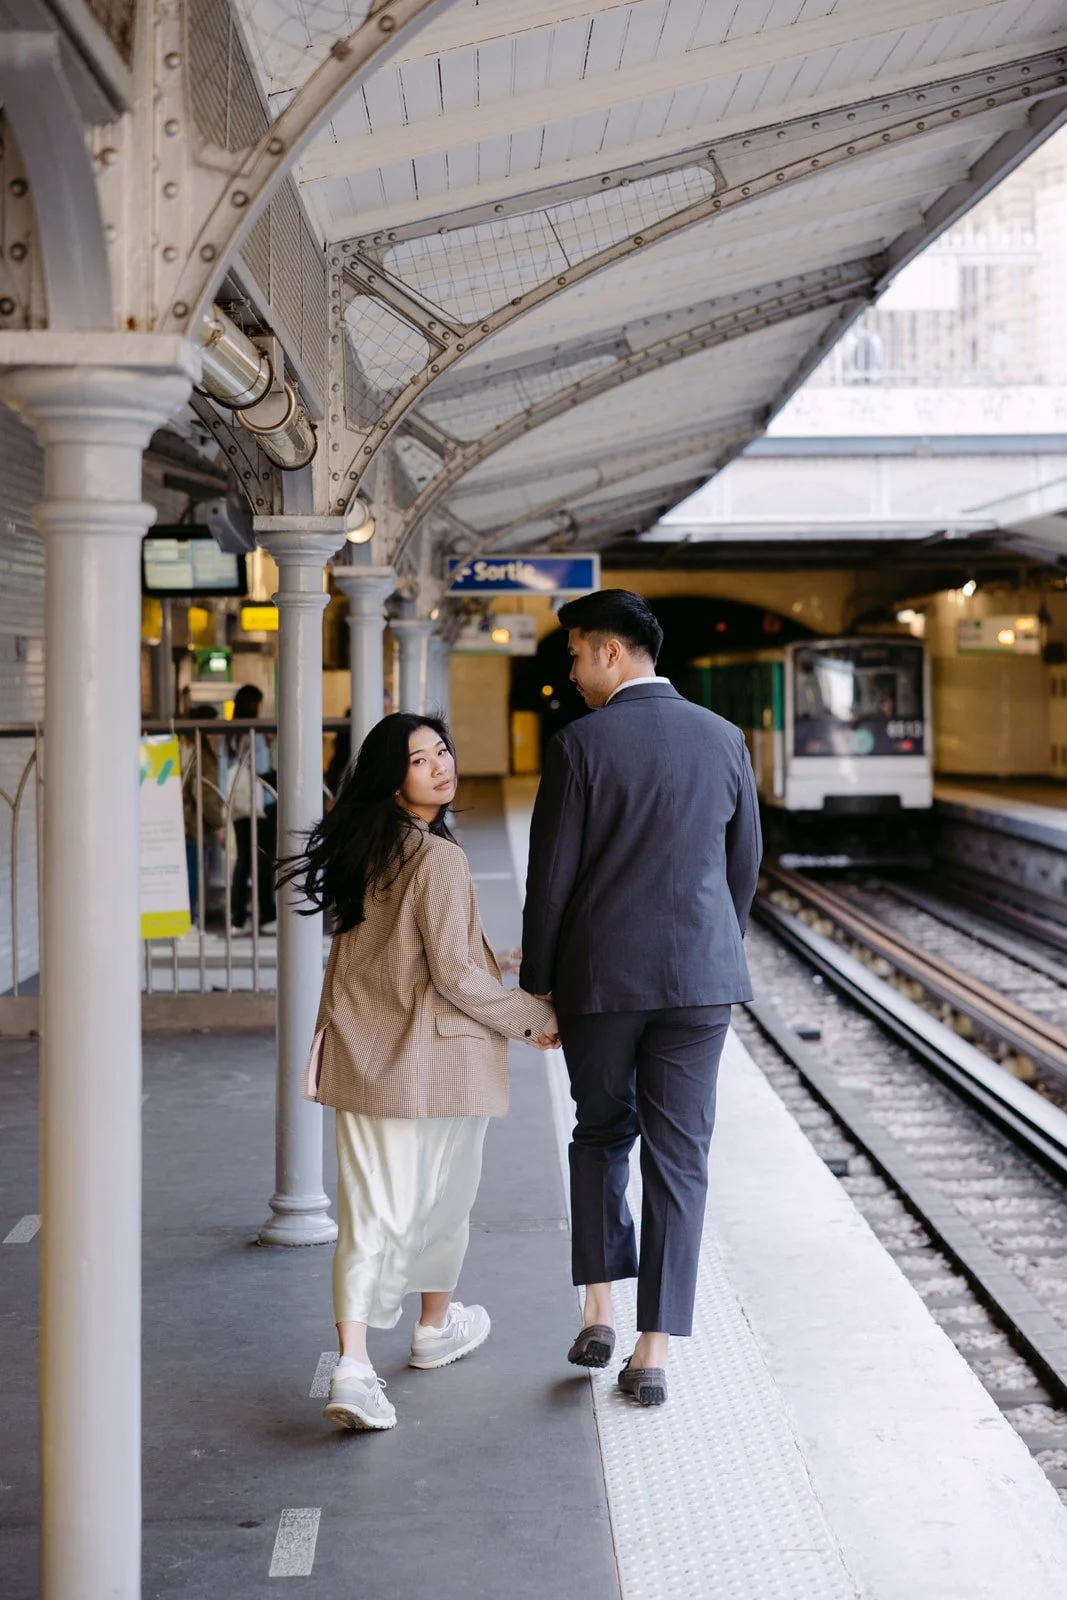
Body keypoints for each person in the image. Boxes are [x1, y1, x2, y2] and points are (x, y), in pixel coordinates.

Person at [282, 712, 559, 1431]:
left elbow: (399, 954)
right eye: (418, 759)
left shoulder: (364, 849)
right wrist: (533, 1016)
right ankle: (423, 1332)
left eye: (442, 750)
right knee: (443, 1200)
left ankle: (361, 1360)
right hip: (438, 1063)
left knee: (368, 1213)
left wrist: (496, 962)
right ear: (391, 776)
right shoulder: (438, 858)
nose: (440, 766)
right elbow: (454, 977)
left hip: (363, 1056)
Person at [520, 590, 761, 1408]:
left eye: (575, 656)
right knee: (680, 1157)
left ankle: (598, 1311)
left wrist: (538, 986)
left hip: (602, 982)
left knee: (600, 1133)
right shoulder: (723, 738)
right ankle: (652, 1350)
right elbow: (743, 864)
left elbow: (550, 881)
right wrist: (711, 949)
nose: (571, 673)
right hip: (700, 983)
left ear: (610, 653)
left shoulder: (579, 744)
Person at [226, 684, 277, 934]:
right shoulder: (255, 732)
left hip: (239, 803)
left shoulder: (230, 732)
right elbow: (263, 769)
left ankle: (237, 918)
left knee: (244, 860)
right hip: (260, 804)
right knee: (263, 860)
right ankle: (267, 916)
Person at [180, 705, 224, 925]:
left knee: (190, 873)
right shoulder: (202, 755)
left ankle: (189, 921)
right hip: (194, 825)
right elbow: (204, 794)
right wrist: (218, 824)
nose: (218, 734)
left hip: (187, 823)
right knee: (194, 874)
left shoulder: (186, 748)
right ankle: (190, 922)